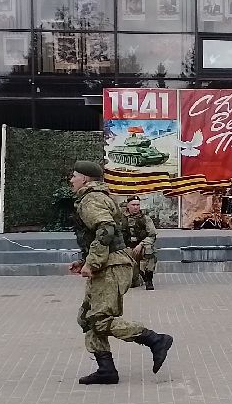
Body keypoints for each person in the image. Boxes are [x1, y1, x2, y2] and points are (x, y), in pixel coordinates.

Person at [69, 161, 173, 384]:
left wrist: (93, 262)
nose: (71, 180)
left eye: (74, 176)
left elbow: (105, 229)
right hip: (109, 264)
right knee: (87, 318)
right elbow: (103, 235)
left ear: (85, 179)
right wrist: (85, 260)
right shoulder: (99, 196)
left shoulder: (91, 199)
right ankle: (106, 369)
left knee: (99, 320)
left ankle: (155, 340)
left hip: (111, 267)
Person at [120, 196, 158, 290]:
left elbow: (152, 235)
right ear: (128, 206)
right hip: (126, 249)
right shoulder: (120, 219)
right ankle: (138, 275)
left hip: (141, 247)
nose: (136, 207)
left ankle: (148, 279)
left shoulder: (145, 218)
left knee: (149, 249)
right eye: (133, 205)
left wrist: (141, 244)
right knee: (133, 283)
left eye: (137, 205)